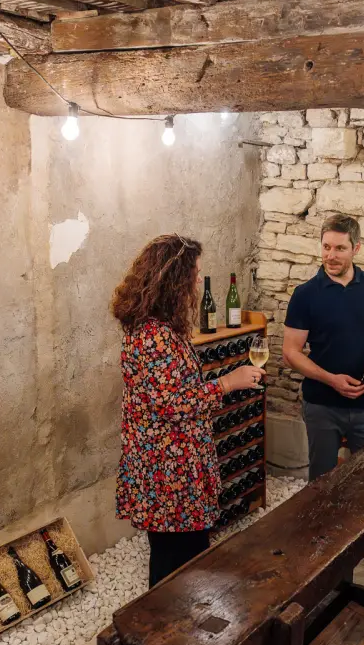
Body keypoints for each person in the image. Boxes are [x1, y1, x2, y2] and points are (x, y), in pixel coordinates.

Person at [111, 235, 265, 588]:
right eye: (194, 273)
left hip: (172, 465)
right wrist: (229, 382)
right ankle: (159, 632)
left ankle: (174, 628)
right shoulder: (154, 335)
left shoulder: (158, 328)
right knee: (176, 562)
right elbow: (172, 403)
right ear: (174, 280)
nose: (199, 280)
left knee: (183, 555)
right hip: (169, 473)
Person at [283, 213, 364, 577]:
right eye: (326, 247)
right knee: (321, 482)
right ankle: (319, 556)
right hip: (322, 404)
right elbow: (290, 352)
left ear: (356, 248)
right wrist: (331, 379)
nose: (331, 255)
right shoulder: (305, 295)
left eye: (339, 248)